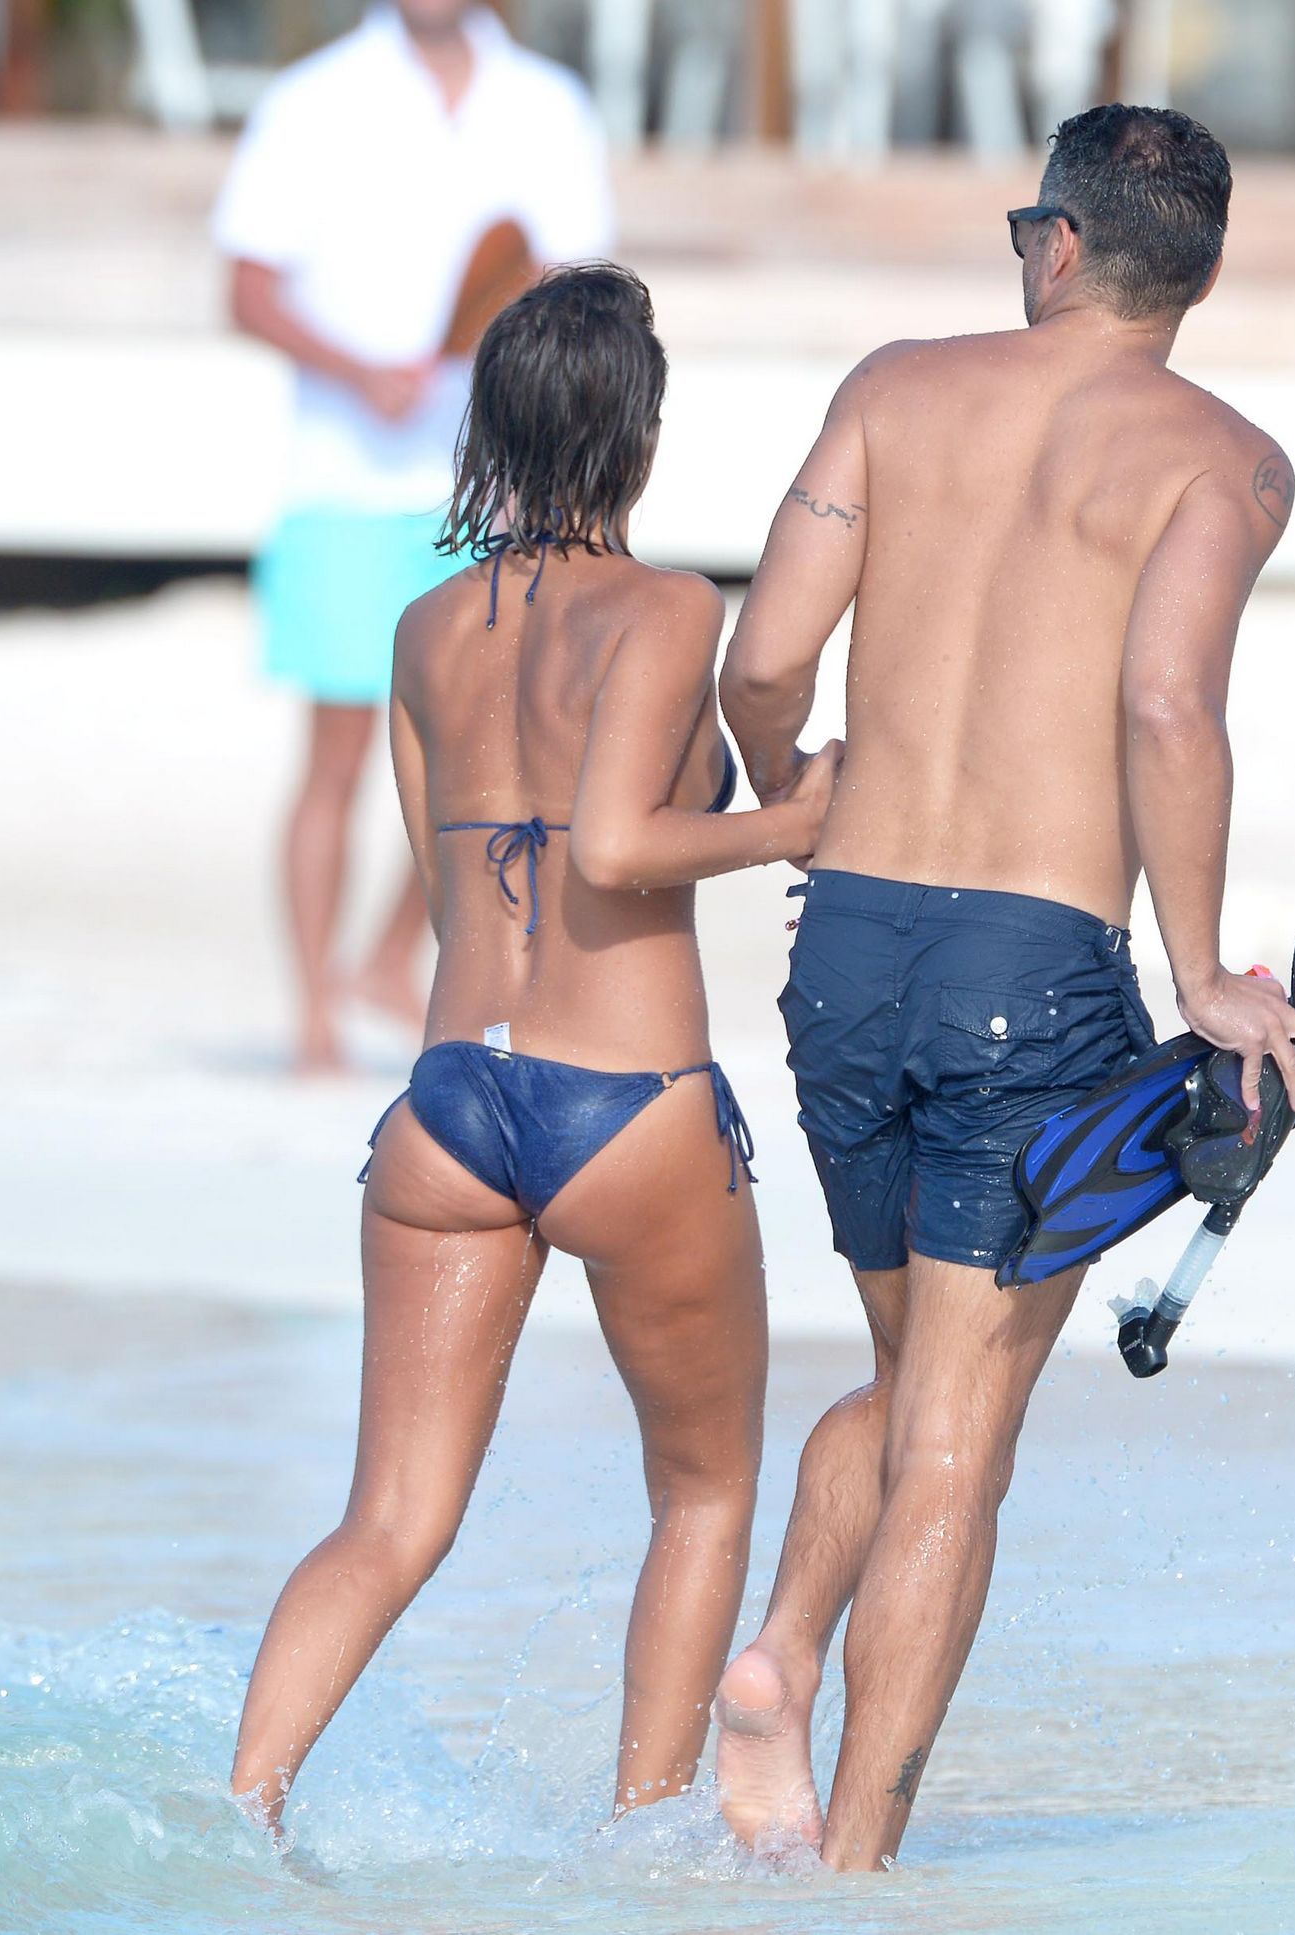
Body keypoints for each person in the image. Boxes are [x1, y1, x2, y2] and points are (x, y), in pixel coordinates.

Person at [713, 104, 1295, 1870]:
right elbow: (1166, 705)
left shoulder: (894, 390)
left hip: (844, 948)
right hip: (1028, 966)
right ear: (1198, 270)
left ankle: (779, 1655)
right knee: (959, 1442)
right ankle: (856, 1879)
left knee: (913, 1371)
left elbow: (765, 656)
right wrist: (1201, 973)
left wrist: (791, 790)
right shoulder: (1227, 459)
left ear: (1056, 243)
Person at [229, 264, 841, 1831]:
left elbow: (454, 884)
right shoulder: (667, 608)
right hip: (624, 1099)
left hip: (448, 1101)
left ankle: (237, 1817)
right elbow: (617, 847)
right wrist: (790, 824)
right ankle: (641, 1849)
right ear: (638, 435)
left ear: (487, 424)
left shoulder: (425, 624)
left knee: (388, 1520)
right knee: (702, 1490)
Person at [213, 2, 612, 1070]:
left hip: (494, 486)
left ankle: (388, 962)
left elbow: (572, 288)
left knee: (484, 757)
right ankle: (312, 1014)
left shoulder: (547, 104)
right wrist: (359, 372)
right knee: (338, 757)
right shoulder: (312, 99)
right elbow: (246, 289)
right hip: (341, 482)